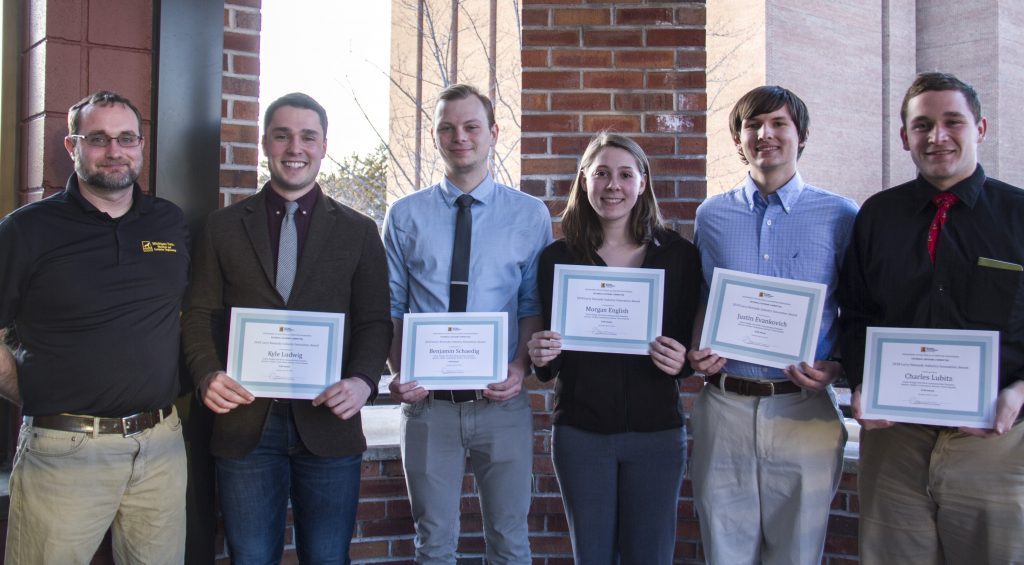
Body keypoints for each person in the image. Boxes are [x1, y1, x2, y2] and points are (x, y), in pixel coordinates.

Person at [181, 92, 391, 564]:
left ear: (323, 146)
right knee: (251, 557)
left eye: (307, 137)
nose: (295, 147)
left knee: (327, 557)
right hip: (245, 423)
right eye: (282, 135)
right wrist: (207, 374)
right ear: (265, 144)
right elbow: (199, 314)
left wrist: (362, 382)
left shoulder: (359, 231)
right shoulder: (223, 227)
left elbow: (375, 321)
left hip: (329, 423)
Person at [839, 72, 1024, 563]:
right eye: (922, 125)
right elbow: (857, 313)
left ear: (980, 128)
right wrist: (861, 381)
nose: (937, 137)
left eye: (952, 122)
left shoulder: (1020, 216)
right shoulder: (878, 216)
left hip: (996, 443)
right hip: (895, 438)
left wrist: (1021, 390)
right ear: (904, 137)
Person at [0, 91, 189, 563]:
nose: (115, 150)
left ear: (142, 145)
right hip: (64, 450)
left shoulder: (169, 223)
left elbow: (185, 314)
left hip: (161, 448)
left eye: (127, 138)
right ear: (72, 146)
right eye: (98, 138)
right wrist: (28, 391)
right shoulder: (27, 230)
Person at [687, 86, 858, 564]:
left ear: (801, 135)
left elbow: (859, 305)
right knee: (724, 552)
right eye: (753, 125)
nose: (766, 134)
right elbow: (704, 296)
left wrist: (839, 364)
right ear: (738, 140)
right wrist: (698, 347)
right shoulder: (711, 214)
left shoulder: (840, 215)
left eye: (779, 123)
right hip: (725, 406)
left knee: (797, 555)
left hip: (804, 410)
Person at [383, 83, 552, 564]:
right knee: (433, 545)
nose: (460, 137)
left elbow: (529, 304)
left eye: (472, 126)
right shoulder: (404, 215)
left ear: (494, 133)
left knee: (509, 541)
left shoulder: (529, 214)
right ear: (436, 137)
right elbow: (393, 304)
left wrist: (519, 368)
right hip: (428, 409)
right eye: (447, 128)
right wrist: (402, 370)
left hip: (501, 405)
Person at [526, 133, 701, 564]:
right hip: (581, 433)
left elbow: (686, 348)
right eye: (601, 173)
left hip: (657, 433)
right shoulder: (557, 259)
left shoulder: (679, 256)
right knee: (593, 557)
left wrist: (681, 362)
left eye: (625, 174)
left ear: (643, 183)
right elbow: (551, 360)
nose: (613, 185)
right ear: (584, 179)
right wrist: (542, 355)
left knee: (651, 557)